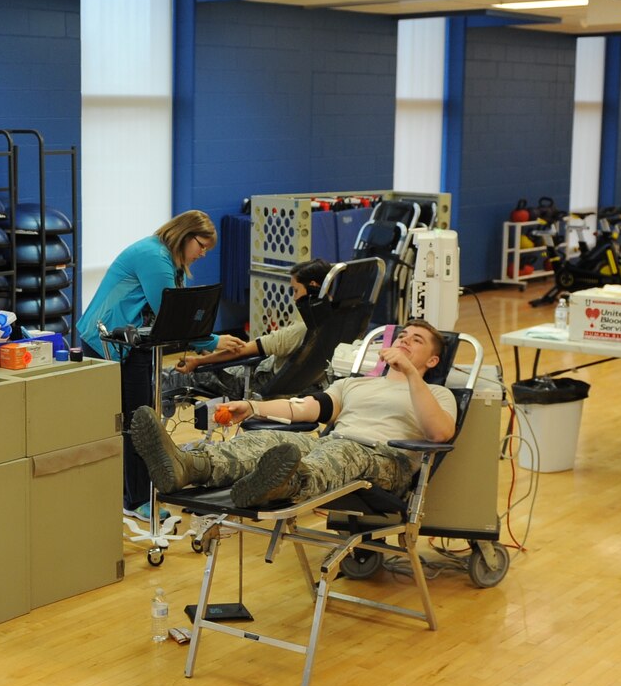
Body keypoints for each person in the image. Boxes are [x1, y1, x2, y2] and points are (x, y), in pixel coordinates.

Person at [129, 320, 458, 512]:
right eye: (402, 337)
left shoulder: (438, 394)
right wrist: (254, 407)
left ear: (431, 362)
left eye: (416, 341)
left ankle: (283, 484)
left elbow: (439, 434)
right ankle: (188, 467)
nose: (405, 342)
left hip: (385, 463)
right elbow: (304, 408)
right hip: (332, 445)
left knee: (339, 450)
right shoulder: (355, 385)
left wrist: (412, 376)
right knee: (270, 439)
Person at [75, 210, 219, 515]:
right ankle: (136, 499)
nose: (203, 254)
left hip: (129, 344)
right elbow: (174, 316)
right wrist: (213, 342)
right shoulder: (155, 257)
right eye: (202, 246)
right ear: (185, 235)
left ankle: (133, 491)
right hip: (110, 345)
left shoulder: (166, 256)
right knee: (136, 422)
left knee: (135, 419)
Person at [162, 258, 336, 409]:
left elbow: (242, 351)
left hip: (256, 385)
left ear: (313, 286)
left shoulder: (302, 330)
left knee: (178, 376)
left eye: (296, 290)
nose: (294, 297)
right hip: (308, 389)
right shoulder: (340, 323)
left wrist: (198, 361)